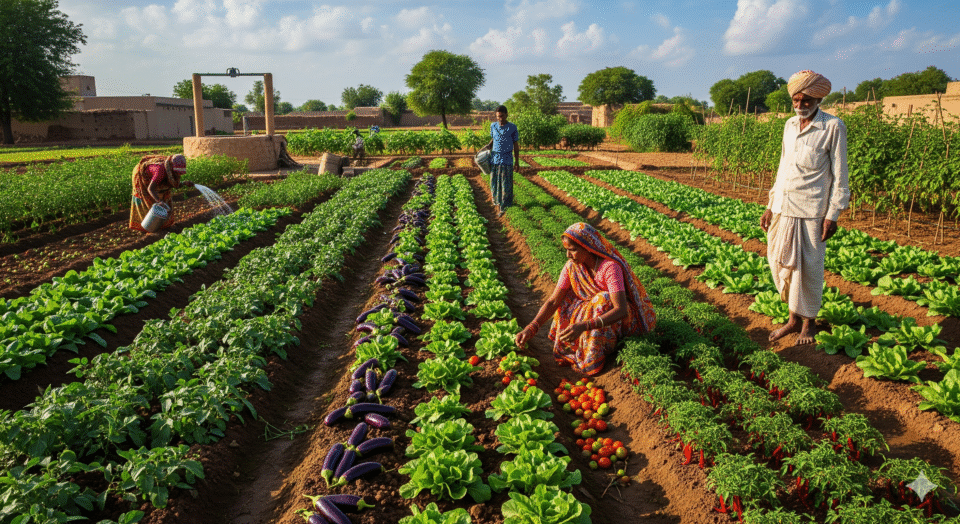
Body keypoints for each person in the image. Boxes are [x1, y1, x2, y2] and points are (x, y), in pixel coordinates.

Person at [760, 70, 850, 345]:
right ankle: (792, 318)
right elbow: (783, 168)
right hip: (783, 206)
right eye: (796, 100)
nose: (800, 105)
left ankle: (808, 323)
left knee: (808, 268)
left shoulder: (833, 126)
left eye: (806, 100)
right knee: (779, 262)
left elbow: (840, 174)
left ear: (818, 98)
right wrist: (770, 204)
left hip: (812, 210)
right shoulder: (789, 125)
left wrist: (833, 214)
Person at [515, 222, 657, 375]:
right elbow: (553, 301)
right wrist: (531, 328)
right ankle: (575, 347)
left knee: (603, 299)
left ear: (588, 247)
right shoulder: (572, 266)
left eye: (573, 250)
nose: (568, 255)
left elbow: (621, 309)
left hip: (621, 321)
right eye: (566, 250)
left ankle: (595, 354)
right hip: (594, 315)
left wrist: (584, 326)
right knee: (566, 299)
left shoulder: (610, 268)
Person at [129, 154, 193, 232]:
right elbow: (150, 189)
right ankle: (146, 228)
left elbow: (171, 184)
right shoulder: (160, 171)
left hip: (155, 178)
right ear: (172, 167)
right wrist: (159, 201)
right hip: (142, 176)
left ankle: (164, 225)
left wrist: (184, 183)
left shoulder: (170, 169)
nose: (178, 174)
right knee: (149, 201)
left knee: (166, 197)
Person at [481, 105, 520, 217]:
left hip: (507, 160)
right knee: (494, 183)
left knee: (505, 184)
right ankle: (497, 203)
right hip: (495, 159)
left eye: (502, 116)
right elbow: (494, 138)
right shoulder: (493, 126)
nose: (500, 118)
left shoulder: (512, 127)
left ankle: (504, 207)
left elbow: (516, 145)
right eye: (498, 116)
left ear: (506, 115)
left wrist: (517, 162)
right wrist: (488, 146)